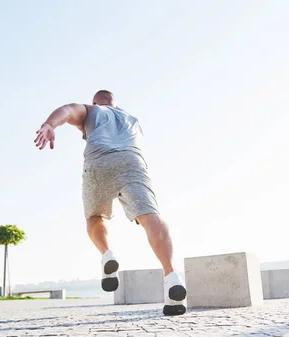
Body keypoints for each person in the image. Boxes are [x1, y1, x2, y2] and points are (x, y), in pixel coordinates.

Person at [34, 90, 187, 316]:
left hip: (99, 161)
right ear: (115, 103)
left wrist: (49, 124)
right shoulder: (132, 119)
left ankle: (107, 255)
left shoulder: (92, 110)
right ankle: (171, 276)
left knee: (95, 217)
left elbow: (67, 110)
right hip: (133, 161)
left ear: (96, 101)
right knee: (149, 216)